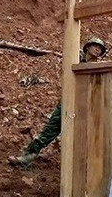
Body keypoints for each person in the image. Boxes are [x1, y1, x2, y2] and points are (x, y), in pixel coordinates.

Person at [12, 38, 107, 166]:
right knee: (51, 128)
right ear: (88, 47)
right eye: (95, 46)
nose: (97, 49)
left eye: (100, 48)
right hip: (68, 99)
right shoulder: (75, 57)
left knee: (84, 136)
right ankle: (29, 156)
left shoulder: (99, 66)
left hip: (85, 104)